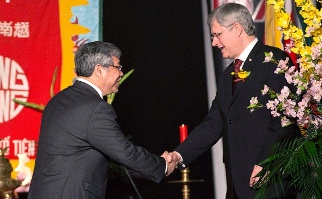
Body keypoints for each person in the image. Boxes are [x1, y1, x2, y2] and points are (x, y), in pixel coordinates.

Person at [166, 3, 298, 199]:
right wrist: (178, 156)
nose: (214, 43)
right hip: (237, 185)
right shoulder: (228, 75)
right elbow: (213, 124)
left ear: (237, 29)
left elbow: (286, 119)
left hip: (269, 183)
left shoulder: (273, 60)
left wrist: (265, 163)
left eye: (217, 35)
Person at [28, 41, 176, 199]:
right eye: (118, 67)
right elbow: (125, 152)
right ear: (98, 70)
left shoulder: (57, 100)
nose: (121, 73)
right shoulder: (95, 108)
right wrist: (163, 166)